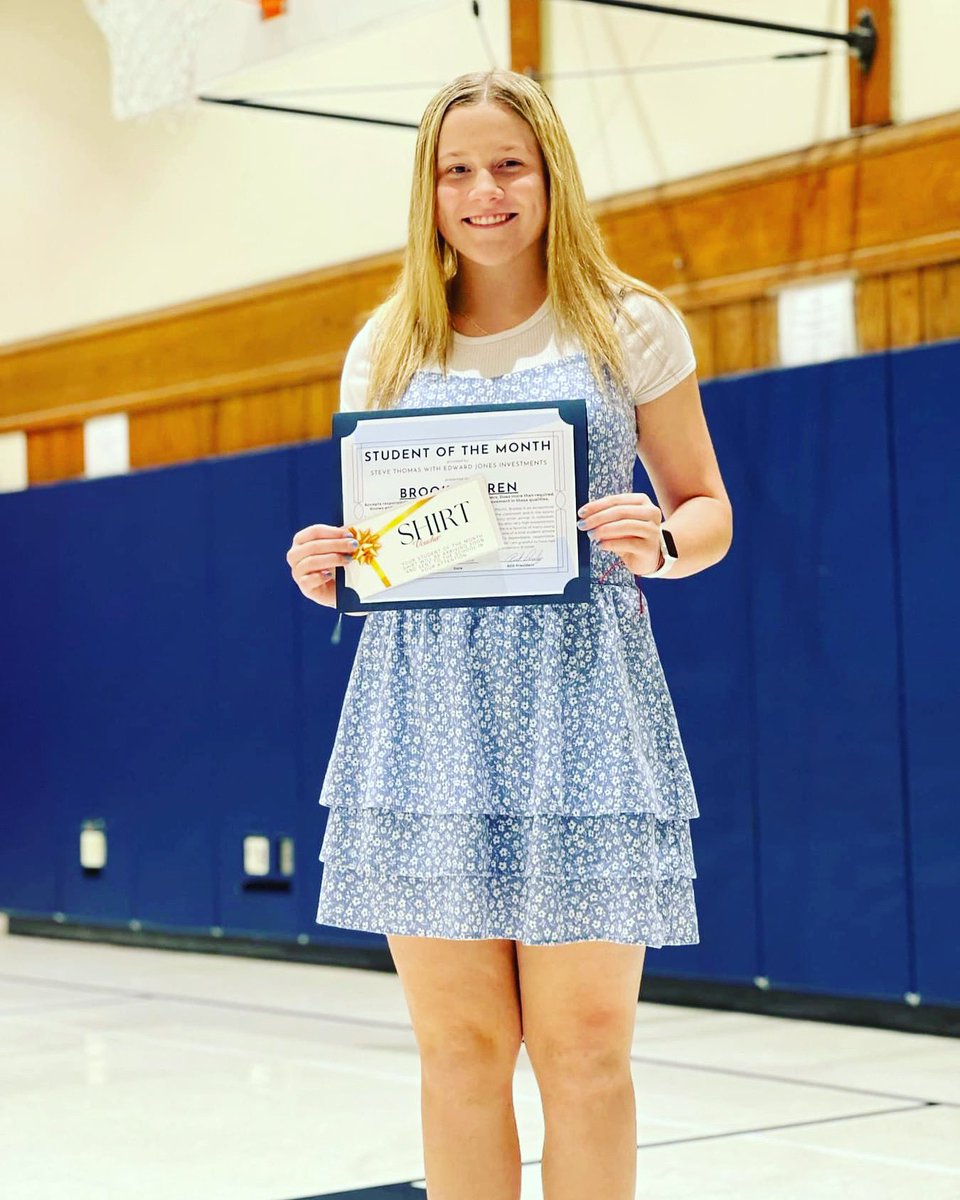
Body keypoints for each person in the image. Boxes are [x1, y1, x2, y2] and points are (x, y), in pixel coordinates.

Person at [286, 68, 732, 1200]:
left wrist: (665, 542)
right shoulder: (385, 344)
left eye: (507, 165)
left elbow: (708, 507)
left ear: (550, 177)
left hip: (583, 716)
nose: (483, 191)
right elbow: (378, 543)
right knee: (461, 1054)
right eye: (457, 170)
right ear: (428, 191)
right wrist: (328, 566)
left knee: (585, 1056)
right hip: (420, 726)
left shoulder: (629, 322)